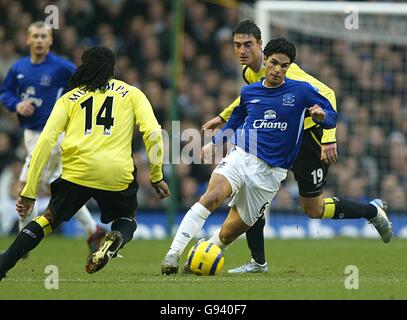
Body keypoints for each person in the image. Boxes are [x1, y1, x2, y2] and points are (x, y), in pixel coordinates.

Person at [202, 20, 392, 273]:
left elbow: (328, 95)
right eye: (237, 46)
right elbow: (253, 95)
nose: (242, 51)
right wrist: (224, 116)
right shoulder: (250, 72)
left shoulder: (288, 72)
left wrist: (328, 138)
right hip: (274, 138)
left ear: (261, 47)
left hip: (306, 139)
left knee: (313, 209)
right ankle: (258, 262)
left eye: (248, 45)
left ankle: (371, 210)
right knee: (252, 189)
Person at [161, 38, 336, 275]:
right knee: (212, 196)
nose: (278, 70)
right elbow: (236, 119)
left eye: (284, 66)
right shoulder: (249, 91)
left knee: (228, 233)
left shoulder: (301, 91)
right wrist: (215, 143)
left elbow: (332, 115)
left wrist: (321, 117)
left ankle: (201, 258)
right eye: (274, 63)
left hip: (271, 174)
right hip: (242, 156)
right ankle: (173, 254)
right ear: (265, 59)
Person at [0, 46, 170, 280]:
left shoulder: (69, 98)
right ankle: (116, 238)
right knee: (126, 219)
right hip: (116, 173)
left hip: (76, 173)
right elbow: (153, 133)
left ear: (84, 66)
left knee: (48, 219)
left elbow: (45, 143)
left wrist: (29, 191)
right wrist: (156, 175)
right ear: (113, 68)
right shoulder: (132, 94)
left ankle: (4, 262)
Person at [0, 21, 106, 252]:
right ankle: (92, 231)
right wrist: (16, 105)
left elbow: (85, 86)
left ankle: (23, 238)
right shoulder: (18, 68)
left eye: (43, 36)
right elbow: (5, 93)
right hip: (30, 132)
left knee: (30, 181)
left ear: (50, 40)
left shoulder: (61, 67)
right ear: (28, 39)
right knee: (56, 184)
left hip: (55, 133)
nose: (39, 40)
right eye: (35, 36)